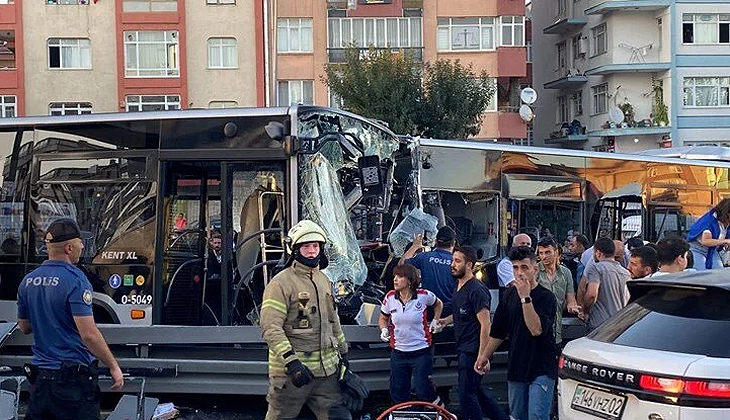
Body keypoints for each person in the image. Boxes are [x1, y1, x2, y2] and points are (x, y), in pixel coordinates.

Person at [16, 218, 124, 420]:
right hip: (72, 383)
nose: (82, 246)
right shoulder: (75, 280)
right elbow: (89, 335)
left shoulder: (28, 281)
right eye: (79, 243)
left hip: (40, 381)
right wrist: (113, 365)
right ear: (68, 248)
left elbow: (24, 327)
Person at [260, 220, 348, 420]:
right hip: (292, 375)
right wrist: (292, 364)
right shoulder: (280, 284)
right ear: (295, 250)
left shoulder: (324, 280)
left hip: (327, 375)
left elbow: (334, 321)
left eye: (315, 246)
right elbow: (270, 328)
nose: (311, 251)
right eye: (306, 246)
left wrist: (344, 354)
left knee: (338, 416)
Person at [483, 246, 559, 420]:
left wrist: (525, 297)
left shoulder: (546, 297)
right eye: (515, 268)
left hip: (541, 366)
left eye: (524, 267)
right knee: (517, 416)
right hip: (517, 365)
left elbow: (536, 329)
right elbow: (499, 332)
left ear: (535, 269)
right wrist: (484, 356)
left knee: (536, 415)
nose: (519, 273)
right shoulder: (509, 295)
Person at [438, 246, 508, 420]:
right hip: (462, 346)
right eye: (452, 260)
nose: (452, 265)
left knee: (467, 394)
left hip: (474, 349)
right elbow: (462, 313)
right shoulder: (458, 285)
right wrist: (445, 321)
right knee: (476, 391)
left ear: (469, 265)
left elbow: (486, 324)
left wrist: (483, 355)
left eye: (457, 261)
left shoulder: (476, 290)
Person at [378, 264, 444, 406]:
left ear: (409, 280)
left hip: (421, 351)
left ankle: (440, 409)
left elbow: (438, 304)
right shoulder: (390, 297)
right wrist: (383, 330)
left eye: (399, 277)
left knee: (423, 389)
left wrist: (435, 320)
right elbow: (383, 318)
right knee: (398, 390)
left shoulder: (423, 295)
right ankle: (403, 414)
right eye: (394, 276)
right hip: (399, 352)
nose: (395, 280)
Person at [401, 226, 457, 316]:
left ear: (436, 241)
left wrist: (415, 246)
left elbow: (402, 264)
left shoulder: (424, 257)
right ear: (453, 243)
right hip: (450, 312)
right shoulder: (457, 262)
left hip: (429, 309)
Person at [578, 238, 630, 331]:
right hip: (620, 325)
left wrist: (585, 311)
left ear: (598, 253)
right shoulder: (626, 273)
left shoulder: (595, 268)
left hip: (600, 325)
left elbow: (591, 295)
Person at [536, 237, 580, 346]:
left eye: (547, 252)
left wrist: (573, 308)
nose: (544, 256)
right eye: (541, 253)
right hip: (537, 329)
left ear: (556, 252)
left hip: (556, 331)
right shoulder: (535, 272)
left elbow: (571, 299)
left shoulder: (566, 273)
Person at [686, 199, 730, 270]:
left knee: (719, 272)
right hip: (697, 249)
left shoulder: (727, 223)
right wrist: (725, 241)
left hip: (712, 250)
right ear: (727, 213)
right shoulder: (709, 221)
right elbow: (705, 241)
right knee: (701, 273)